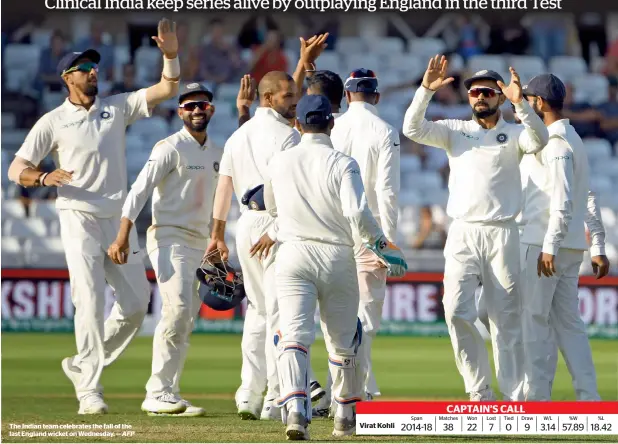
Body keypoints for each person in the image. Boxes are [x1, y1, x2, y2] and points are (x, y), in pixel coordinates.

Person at [7, 18, 181, 415]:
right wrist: (44, 175)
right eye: (85, 69)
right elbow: (16, 168)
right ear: (68, 78)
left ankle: (82, 365)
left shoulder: (116, 108)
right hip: (77, 216)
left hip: (117, 221)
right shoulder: (52, 121)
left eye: (94, 67)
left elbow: (167, 89)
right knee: (88, 300)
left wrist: (170, 55)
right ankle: (90, 390)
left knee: (137, 305)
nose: (93, 72)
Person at [252, 94, 407, 439]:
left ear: (298, 124)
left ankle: (295, 411)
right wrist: (383, 245)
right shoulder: (343, 163)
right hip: (337, 255)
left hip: (293, 256)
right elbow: (355, 212)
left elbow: (274, 212)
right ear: (331, 123)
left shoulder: (279, 162)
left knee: (293, 335)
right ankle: (345, 414)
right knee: (343, 340)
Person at [402, 55, 549, 401]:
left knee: (506, 318)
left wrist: (521, 105)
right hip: (463, 232)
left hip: (503, 232)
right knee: (455, 310)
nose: (479, 97)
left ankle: (514, 394)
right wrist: (425, 90)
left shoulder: (515, 133)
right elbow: (412, 129)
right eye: (473, 93)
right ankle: (479, 390)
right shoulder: (456, 130)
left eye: (486, 92)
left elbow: (540, 140)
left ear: (499, 97)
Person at [107, 83, 221, 416]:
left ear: (211, 109)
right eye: (189, 106)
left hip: (203, 244)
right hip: (169, 237)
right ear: (180, 112)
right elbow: (139, 190)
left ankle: (168, 391)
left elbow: (222, 201)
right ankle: (156, 392)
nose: (197, 110)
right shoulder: (169, 147)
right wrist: (122, 235)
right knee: (176, 309)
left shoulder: (218, 151)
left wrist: (219, 240)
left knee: (185, 318)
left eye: (202, 104)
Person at [206, 71, 300, 421]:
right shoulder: (289, 137)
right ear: (267, 98)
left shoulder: (237, 136)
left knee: (258, 312)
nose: (294, 101)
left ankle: (248, 392)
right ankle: (276, 395)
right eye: (287, 96)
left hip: (243, 226)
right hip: (273, 226)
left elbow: (224, 188)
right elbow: (289, 192)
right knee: (278, 311)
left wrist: (216, 235)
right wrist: (276, 229)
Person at [519, 74, 610, 401]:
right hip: (569, 247)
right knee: (570, 326)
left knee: (535, 322)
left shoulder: (555, 145)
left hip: (545, 245)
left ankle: (537, 401)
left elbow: (565, 198)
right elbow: (588, 194)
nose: (525, 106)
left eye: (529, 100)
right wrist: (597, 244)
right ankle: (589, 397)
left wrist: (549, 246)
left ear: (539, 103)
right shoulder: (574, 138)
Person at [314, 69, 400, 409]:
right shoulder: (385, 131)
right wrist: (388, 244)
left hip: (332, 231)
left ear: (348, 96)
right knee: (365, 319)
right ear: (376, 97)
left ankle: (340, 394)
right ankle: (350, 396)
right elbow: (387, 191)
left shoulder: (331, 127)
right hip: (369, 234)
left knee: (335, 318)